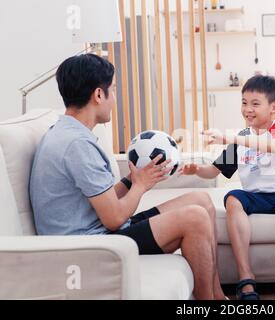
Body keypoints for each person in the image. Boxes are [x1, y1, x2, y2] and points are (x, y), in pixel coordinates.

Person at [29, 54, 225, 300]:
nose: (115, 99)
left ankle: (220, 297)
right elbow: (114, 218)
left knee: (201, 201)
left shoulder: (67, 133)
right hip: (92, 246)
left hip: (97, 231)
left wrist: (132, 180)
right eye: (113, 90)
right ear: (98, 95)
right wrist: (141, 186)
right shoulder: (77, 145)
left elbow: (104, 199)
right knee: (195, 217)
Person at [180, 75, 275, 300]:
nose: (248, 109)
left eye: (255, 103)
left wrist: (228, 137)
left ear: (274, 107)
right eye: (244, 103)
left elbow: (274, 146)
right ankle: (246, 279)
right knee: (233, 198)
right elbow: (213, 172)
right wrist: (196, 169)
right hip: (256, 198)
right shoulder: (241, 140)